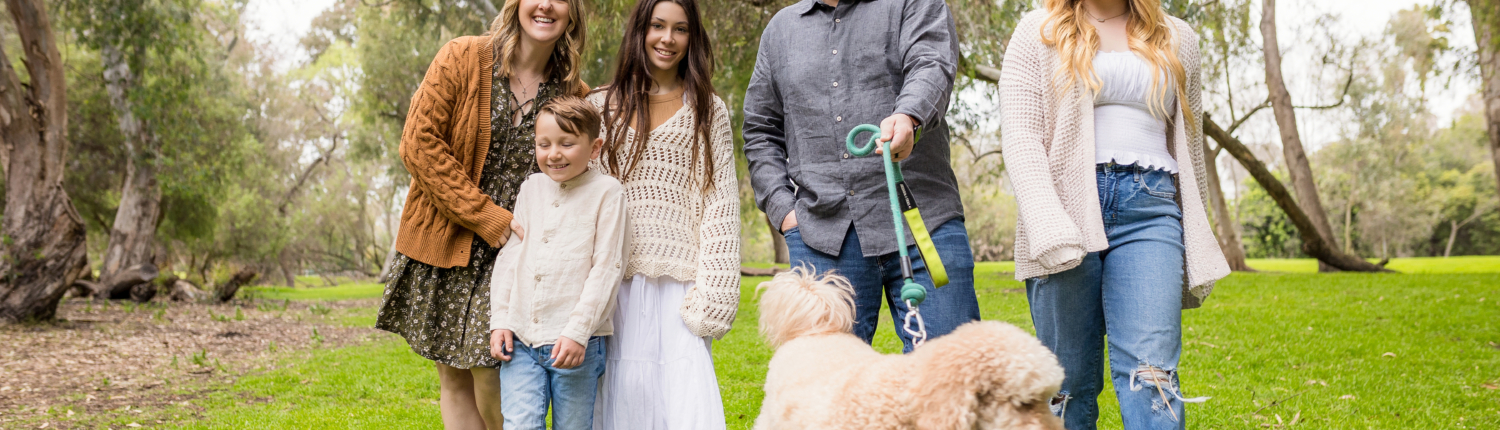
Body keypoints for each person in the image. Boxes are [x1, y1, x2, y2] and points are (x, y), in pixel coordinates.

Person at [997, 0, 1230, 428]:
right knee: (1064, 385)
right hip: (1064, 209)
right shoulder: (1038, 31)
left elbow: (1189, 143)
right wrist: (1045, 221)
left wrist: (1196, 229)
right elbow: (1021, 134)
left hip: (1152, 206)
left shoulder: (1178, 37)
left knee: (1152, 373)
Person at [374, 0, 589, 427]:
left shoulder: (573, 95)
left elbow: (578, 177)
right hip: (449, 240)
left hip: (516, 255)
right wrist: (485, 216)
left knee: (496, 373)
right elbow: (418, 143)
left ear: (573, 12)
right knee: (453, 376)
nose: (546, 5)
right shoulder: (463, 57)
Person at [742, 0, 979, 353]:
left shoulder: (914, 4)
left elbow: (932, 64)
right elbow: (761, 130)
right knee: (825, 391)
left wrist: (909, 116)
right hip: (823, 238)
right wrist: (784, 212)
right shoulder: (779, 30)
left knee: (953, 379)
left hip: (923, 226)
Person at [586, 0, 738, 427]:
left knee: (681, 402)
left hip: (680, 286)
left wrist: (717, 290)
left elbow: (719, 203)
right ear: (640, 29)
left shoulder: (710, 110)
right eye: (657, 26)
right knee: (620, 396)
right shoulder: (600, 107)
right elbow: (583, 201)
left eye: (680, 29)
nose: (667, 39)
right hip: (613, 286)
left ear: (692, 38)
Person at [488, 96, 627, 430]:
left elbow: (607, 268)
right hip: (521, 340)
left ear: (594, 148)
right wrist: (500, 320)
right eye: (544, 144)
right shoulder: (531, 188)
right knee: (519, 424)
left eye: (567, 143)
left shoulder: (607, 193)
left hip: (575, 343)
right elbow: (510, 258)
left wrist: (578, 332)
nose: (553, 154)